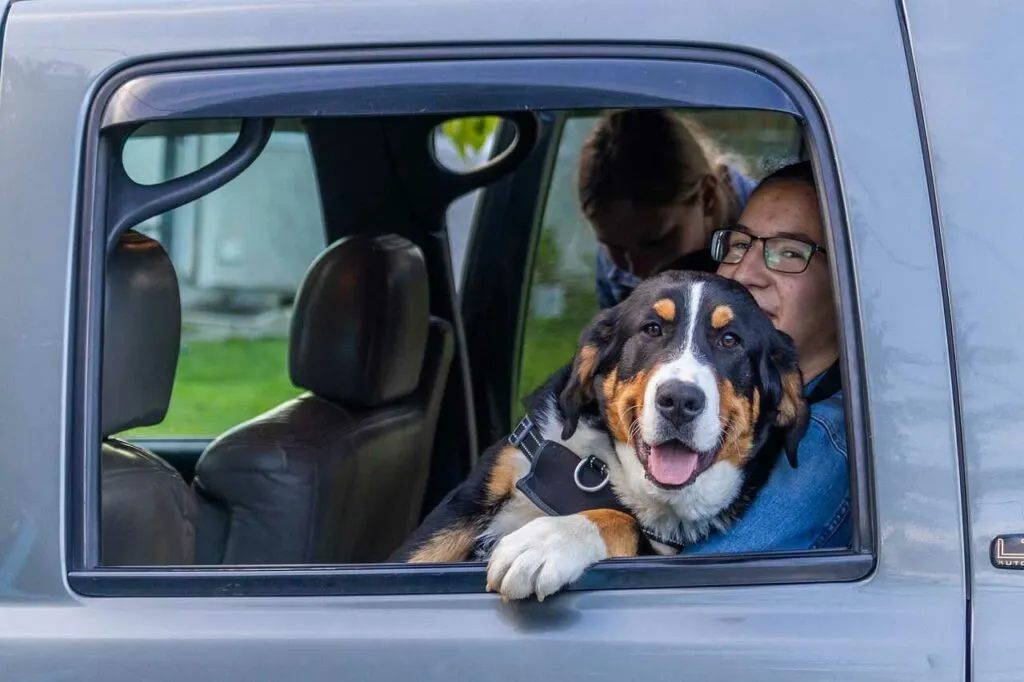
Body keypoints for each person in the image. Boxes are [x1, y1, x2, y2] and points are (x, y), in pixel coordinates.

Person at [684, 160, 851, 553]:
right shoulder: (711, 399)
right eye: (739, 245)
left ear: (846, 284)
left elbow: (691, 593)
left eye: (790, 252)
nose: (744, 274)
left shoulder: (824, 440)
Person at [576, 108, 757, 309]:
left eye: (655, 242)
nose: (637, 271)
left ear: (707, 198)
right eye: (615, 248)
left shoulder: (777, 233)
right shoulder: (618, 259)